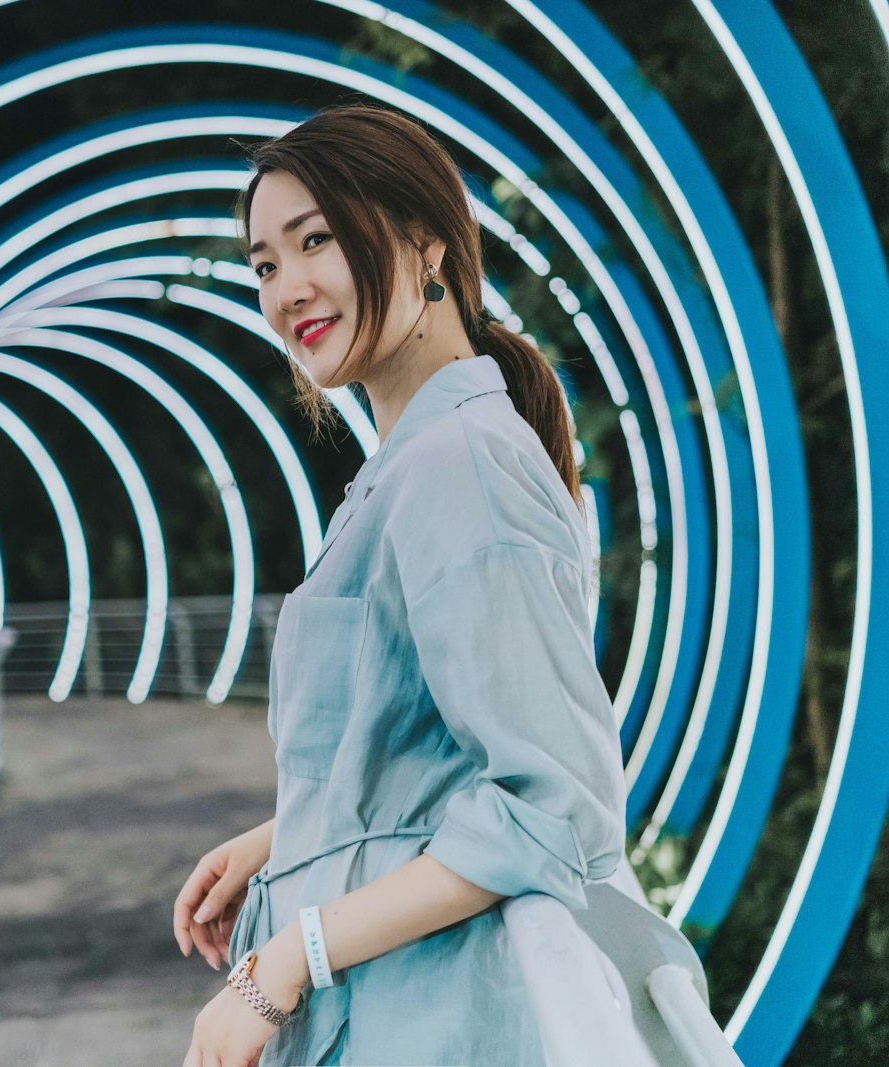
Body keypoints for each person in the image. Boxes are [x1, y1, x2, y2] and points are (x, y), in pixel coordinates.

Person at [172, 102, 629, 1066]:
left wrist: (281, 965)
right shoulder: (411, 462)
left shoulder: (458, 463)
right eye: (263, 263)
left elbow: (548, 806)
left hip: (430, 1017)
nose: (287, 286)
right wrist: (282, 836)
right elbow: (434, 748)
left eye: (318, 239)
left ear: (427, 245)